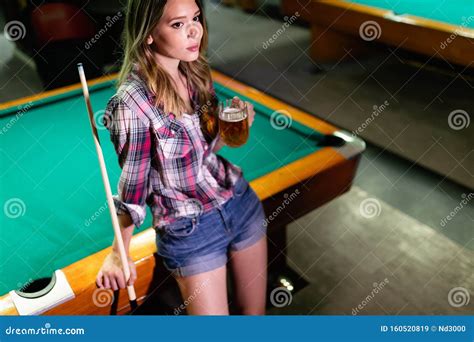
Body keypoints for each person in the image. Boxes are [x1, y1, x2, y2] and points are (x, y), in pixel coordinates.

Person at [95, 0, 268, 315]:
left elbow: (201, 152)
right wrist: (120, 252)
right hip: (189, 229)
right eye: (177, 24)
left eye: (196, 18)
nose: (194, 31)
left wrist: (229, 131)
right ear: (148, 33)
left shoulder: (195, 71)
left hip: (239, 200)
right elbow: (134, 186)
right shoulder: (132, 102)